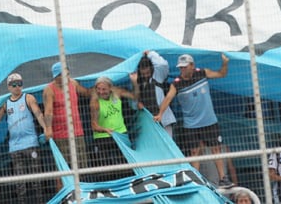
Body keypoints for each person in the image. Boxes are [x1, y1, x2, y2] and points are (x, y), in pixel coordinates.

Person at [156, 53, 234, 187]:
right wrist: (160, 114)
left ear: (192, 65)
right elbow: (168, 98)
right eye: (180, 68)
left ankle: (223, 178)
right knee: (194, 152)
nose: (182, 70)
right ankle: (195, 180)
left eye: (184, 67)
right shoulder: (176, 83)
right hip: (191, 125)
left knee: (216, 149)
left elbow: (222, 74)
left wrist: (225, 63)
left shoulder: (203, 73)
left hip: (209, 121)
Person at [0, 73, 49, 204]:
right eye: (14, 85)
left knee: (37, 179)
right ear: (9, 87)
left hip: (31, 144)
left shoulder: (28, 98)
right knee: (20, 182)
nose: (17, 87)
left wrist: (45, 128)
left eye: (19, 84)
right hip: (15, 148)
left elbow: (38, 113)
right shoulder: (6, 104)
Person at [44, 61, 91, 175]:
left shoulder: (73, 83)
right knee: (64, 169)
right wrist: (48, 128)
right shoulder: (49, 90)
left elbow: (87, 93)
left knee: (82, 167)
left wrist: (101, 87)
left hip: (77, 133)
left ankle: (82, 190)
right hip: (61, 135)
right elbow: (48, 111)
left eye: (68, 74)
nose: (67, 77)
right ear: (57, 76)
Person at [91, 75, 137, 179]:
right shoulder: (95, 103)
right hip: (103, 138)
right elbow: (94, 125)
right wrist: (105, 130)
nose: (101, 92)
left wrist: (134, 83)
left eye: (104, 89)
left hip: (121, 135)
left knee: (126, 165)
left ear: (110, 88)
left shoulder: (117, 93)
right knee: (107, 169)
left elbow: (135, 97)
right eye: (98, 89)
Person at [132, 51, 177, 136]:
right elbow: (133, 104)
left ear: (152, 68)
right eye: (143, 74)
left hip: (163, 120)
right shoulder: (137, 82)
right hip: (148, 122)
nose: (146, 75)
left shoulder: (158, 75)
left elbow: (162, 64)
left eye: (148, 73)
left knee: (167, 146)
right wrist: (137, 104)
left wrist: (150, 53)